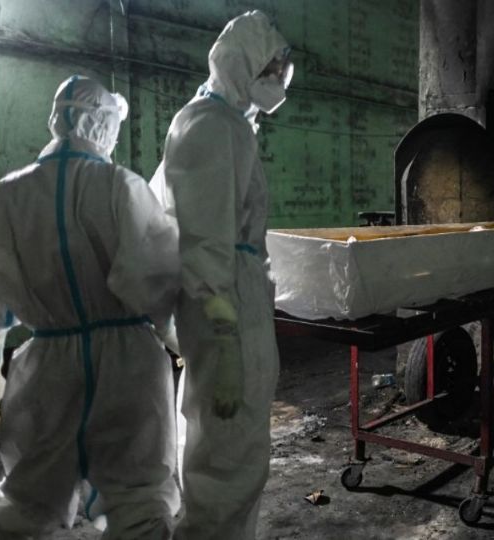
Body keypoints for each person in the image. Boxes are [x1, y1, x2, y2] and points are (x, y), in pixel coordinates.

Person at [0, 75, 182, 538]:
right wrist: (183, 342)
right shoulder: (118, 187)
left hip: (47, 365)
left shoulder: (2, 198)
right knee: (139, 496)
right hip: (129, 366)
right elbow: (158, 280)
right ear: (101, 124)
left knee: (30, 495)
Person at [150, 10, 291, 539]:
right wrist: (228, 341)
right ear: (242, 64)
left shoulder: (227, 122)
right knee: (227, 461)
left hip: (234, 298)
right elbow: (205, 245)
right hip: (224, 307)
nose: (279, 76)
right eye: (271, 66)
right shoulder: (209, 126)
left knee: (229, 451)